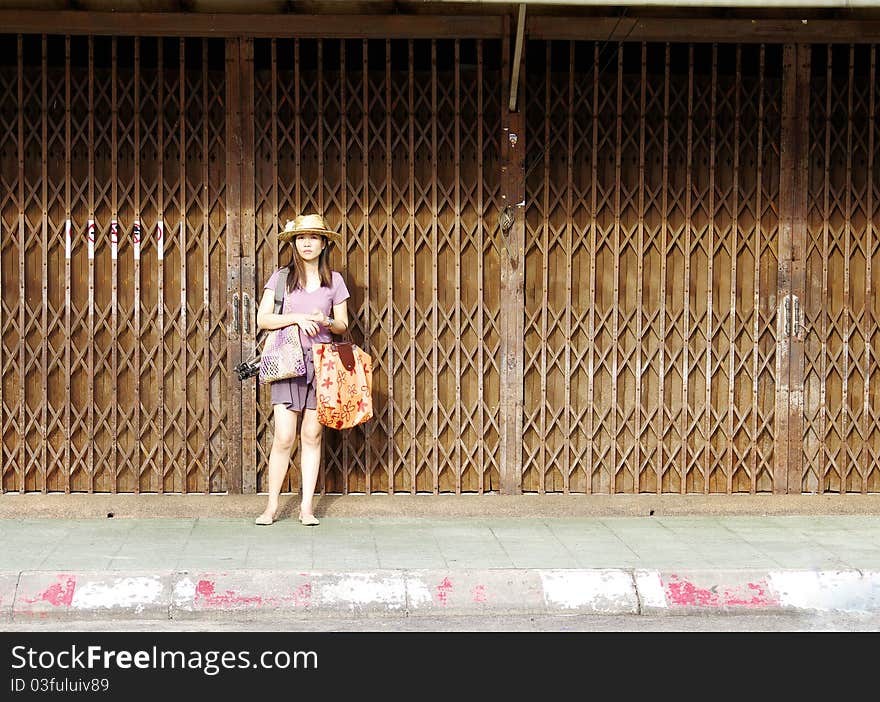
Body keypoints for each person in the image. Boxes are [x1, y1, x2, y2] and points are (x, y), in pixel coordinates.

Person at [254, 214, 350, 526]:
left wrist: (325, 321)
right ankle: (271, 507)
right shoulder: (281, 278)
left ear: (324, 244)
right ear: (294, 244)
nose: (306, 243)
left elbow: (342, 325)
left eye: (313, 238)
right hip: (287, 363)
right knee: (283, 437)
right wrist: (296, 318)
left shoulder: (334, 281)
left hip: (321, 364)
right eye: (300, 238)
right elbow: (263, 319)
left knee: (312, 434)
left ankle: (306, 508)